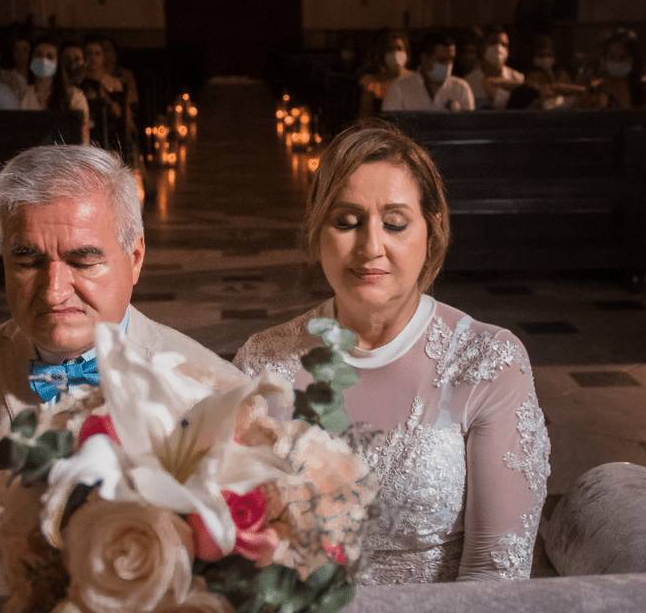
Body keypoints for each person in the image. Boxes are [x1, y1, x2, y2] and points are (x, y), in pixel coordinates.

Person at [0, 145, 243, 596]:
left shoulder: (213, 392)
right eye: (28, 261)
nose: (54, 293)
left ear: (134, 259)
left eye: (82, 260)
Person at [235, 121, 550, 584]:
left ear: (432, 230)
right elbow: (238, 549)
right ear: (318, 231)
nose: (370, 247)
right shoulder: (263, 362)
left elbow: (494, 571)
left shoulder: (488, 361)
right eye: (346, 222)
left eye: (395, 223)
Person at [20, 36, 91, 145]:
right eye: (38, 55)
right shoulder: (21, 94)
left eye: (50, 56)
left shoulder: (74, 97)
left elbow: (82, 139)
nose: (43, 60)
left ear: (58, 63)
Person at [383, 32, 474, 112]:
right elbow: (389, 128)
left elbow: (469, 128)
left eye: (451, 60)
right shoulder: (399, 89)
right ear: (424, 59)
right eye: (441, 60)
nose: (448, 65)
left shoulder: (461, 89)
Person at [586, 29, 646, 109]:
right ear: (604, 59)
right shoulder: (596, 90)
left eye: (623, 57)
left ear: (632, 60)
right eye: (612, 57)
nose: (617, 62)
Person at [464, 26, 524, 109]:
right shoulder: (468, 82)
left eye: (504, 45)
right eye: (493, 43)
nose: (498, 48)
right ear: (481, 47)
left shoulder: (518, 78)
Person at [359, 30, 412, 117]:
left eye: (399, 48)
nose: (396, 53)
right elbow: (365, 116)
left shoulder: (417, 79)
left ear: (406, 52)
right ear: (383, 54)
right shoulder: (372, 82)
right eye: (390, 49)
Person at [1, 35, 32, 101]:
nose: (20, 54)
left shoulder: (36, 75)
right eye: (16, 50)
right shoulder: (6, 77)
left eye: (25, 50)